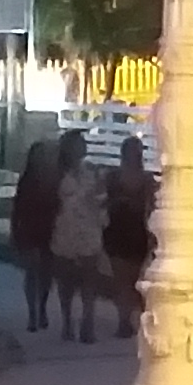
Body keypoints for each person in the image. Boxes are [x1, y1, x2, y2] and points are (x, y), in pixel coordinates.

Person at [47, 131, 110, 341]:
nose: (82, 147)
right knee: (65, 281)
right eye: (77, 144)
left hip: (89, 229)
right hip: (64, 230)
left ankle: (87, 322)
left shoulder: (91, 171)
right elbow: (52, 202)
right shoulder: (56, 174)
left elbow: (101, 198)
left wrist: (100, 200)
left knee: (89, 279)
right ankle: (67, 322)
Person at [5, 133, 63, 333]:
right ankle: (33, 313)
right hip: (30, 228)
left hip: (47, 228)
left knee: (45, 273)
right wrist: (15, 230)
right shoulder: (27, 181)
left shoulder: (54, 179)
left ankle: (42, 307)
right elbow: (18, 208)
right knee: (32, 271)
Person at [102, 133, 159, 327]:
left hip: (136, 230)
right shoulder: (114, 177)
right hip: (118, 228)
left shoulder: (144, 179)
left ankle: (128, 319)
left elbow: (152, 206)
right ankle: (124, 320)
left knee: (134, 278)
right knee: (123, 278)